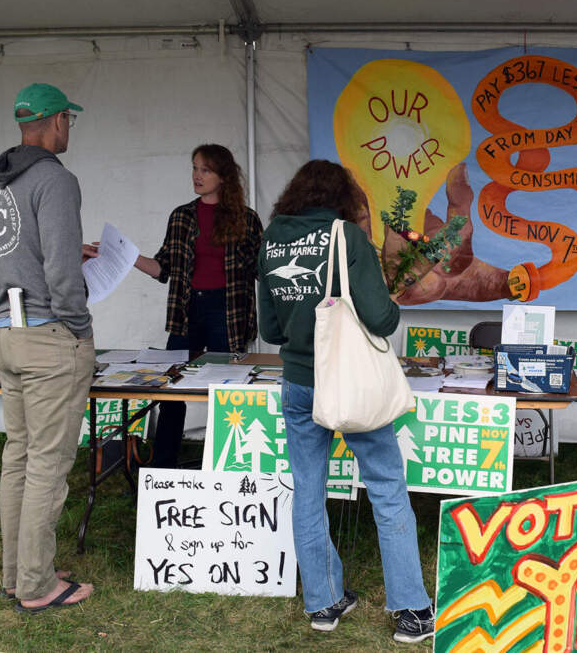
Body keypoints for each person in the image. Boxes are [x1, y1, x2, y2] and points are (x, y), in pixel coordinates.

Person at [257, 160, 434, 643]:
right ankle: (411, 611)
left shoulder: (271, 240)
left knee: (307, 490)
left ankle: (324, 602)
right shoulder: (347, 238)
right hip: (349, 382)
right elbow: (381, 320)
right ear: (343, 197)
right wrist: (394, 294)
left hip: (297, 383)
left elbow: (270, 329)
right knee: (386, 487)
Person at [0, 83, 95, 613]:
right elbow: (63, 271)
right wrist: (78, 325)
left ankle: (17, 573)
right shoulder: (55, 179)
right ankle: (37, 585)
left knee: (19, 459)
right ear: (53, 122)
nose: (69, 126)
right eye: (68, 118)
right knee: (48, 463)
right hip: (49, 336)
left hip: (3, 329)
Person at [131, 144, 262, 468]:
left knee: (226, 394)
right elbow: (163, 267)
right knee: (171, 390)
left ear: (223, 176)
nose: (197, 176)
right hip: (186, 312)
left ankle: (227, 466)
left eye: (205, 169)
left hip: (227, 313)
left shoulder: (246, 219)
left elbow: (262, 268)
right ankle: (162, 468)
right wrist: (127, 257)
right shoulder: (182, 216)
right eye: (194, 168)